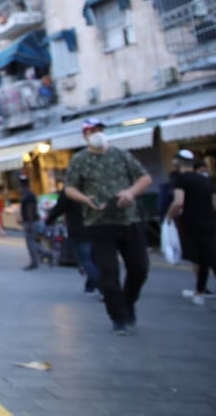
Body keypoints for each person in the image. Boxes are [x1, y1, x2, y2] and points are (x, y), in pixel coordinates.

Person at [64, 117, 153, 335]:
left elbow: (145, 178)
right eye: (92, 130)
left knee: (139, 268)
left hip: (128, 219)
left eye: (99, 129)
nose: (97, 133)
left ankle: (128, 302)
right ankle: (118, 317)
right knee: (108, 272)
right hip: (99, 223)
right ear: (85, 135)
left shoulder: (121, 155)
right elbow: (69, 189)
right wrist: (85, 199)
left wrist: (130, 193)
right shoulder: (80, 160)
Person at [165, 149, 216, 306]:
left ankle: (200, 292)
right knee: (204, 259)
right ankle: (199, 292)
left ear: (177, 163)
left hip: (193, 224)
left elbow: (178, 202)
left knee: (211, 260)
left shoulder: (181, 180)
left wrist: (169, 216)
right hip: (210, 222)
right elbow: (215, 204)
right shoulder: (204, 180)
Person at [45, 182, 101, 295]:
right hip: (96, 228)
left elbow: (58, 208)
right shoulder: (93, 185)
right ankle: (90, 285)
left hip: (79, 230)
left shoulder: (70, 190)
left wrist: (48, 220)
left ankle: (104, 288)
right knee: (94, 259)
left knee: (86, 261)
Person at [19, 174, 52, 269]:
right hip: (31, 221)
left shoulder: (28, 195)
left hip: (31, 222)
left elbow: (30, 210)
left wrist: (29, 223)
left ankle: (36, 261)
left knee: (31, 242)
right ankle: (46, 254)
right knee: (33, 241)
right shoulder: (28, 194)